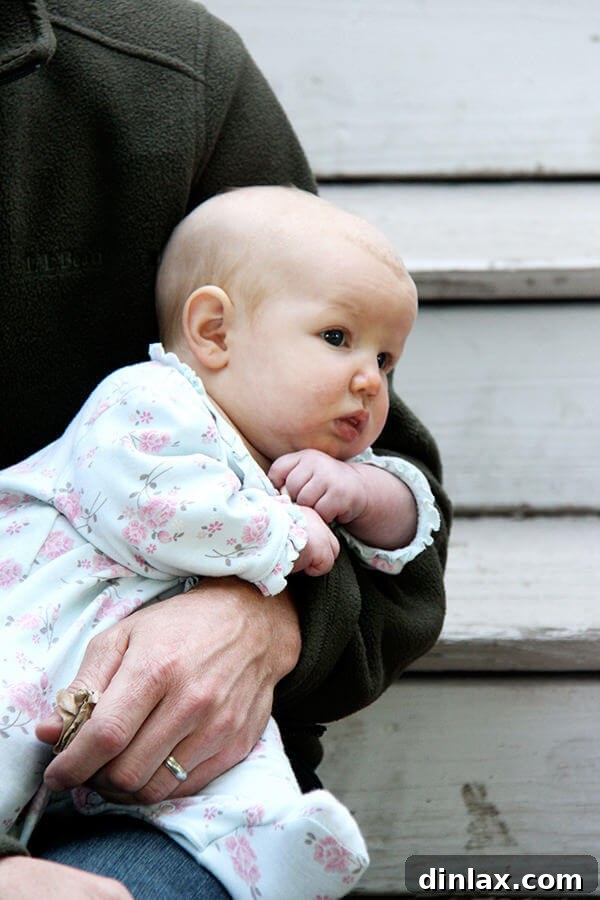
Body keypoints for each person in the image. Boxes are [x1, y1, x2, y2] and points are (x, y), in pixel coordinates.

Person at [1, 1, 451, 895]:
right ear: (211, 329)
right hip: (32, 667)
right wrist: (279, 547)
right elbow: (148, 501)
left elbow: (410, 531)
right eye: (340, 344)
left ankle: (287, 839)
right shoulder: (148, 401)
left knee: (217, 832)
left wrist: (283, 602)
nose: (371, 380)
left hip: (164, 769)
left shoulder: (171, 75)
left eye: (388, 359)